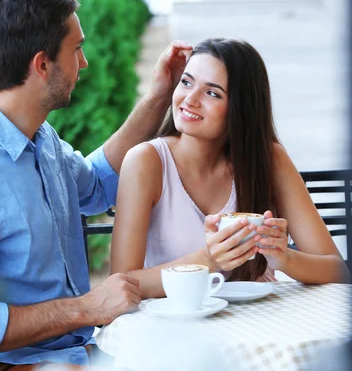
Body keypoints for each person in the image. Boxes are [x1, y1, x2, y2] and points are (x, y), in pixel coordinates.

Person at [0, 0, 191, 370]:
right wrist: (84, 309)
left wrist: (159, 95)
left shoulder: (40, 139)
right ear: (42, 64)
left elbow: (98, 185)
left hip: (74, 355)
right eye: (77, 49)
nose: (85, 63)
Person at [110, 37, 350, 299]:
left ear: (240, 108)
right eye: (186, 82)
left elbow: (338, 271)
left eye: (212, 93)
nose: (190, 99)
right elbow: (120, 285)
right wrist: (208, 260)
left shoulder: (268, 160)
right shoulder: (147, 161)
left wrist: (284, 258)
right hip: (177, 326)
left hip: (258, 327)